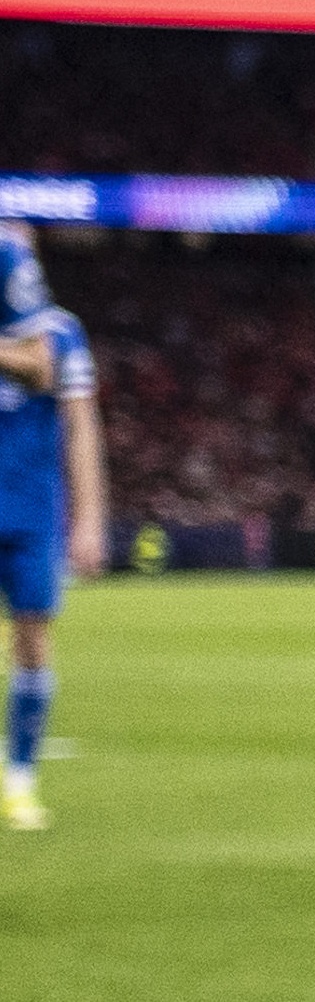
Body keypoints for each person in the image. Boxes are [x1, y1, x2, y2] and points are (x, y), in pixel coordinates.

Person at [0, 224, 106, 833]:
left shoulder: (62, 336)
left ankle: (19, 781)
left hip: (32, 512)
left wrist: (89, 520)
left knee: (33, 640)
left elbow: (81, 428)